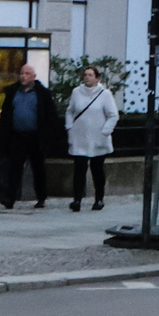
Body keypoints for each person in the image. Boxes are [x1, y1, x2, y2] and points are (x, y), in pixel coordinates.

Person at [62, 63, 120, 212]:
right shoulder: (76, 92)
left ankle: (99, 199)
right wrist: (69, 126)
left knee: (97, 169)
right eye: (85, 75)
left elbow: (113, 115)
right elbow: (70, 111)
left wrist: (105, 131)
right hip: (80, 137)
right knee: (79, 169)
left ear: (97, 78)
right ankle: (77, 200)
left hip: (97, 138)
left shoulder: (105, 94)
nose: (87, 77)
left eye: (90, 75)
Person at [0, 62, 52, 210]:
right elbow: (5, 114)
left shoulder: (42, 94)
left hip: (35, 136)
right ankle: (10, 198)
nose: (23, 76)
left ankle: (41, 197)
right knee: (14, 167)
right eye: (21, 73)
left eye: (27, 74)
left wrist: (48, 136)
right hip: (18, 135)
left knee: (38, 167)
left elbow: (50, 116)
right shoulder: (14, 92)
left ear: (33, 77)